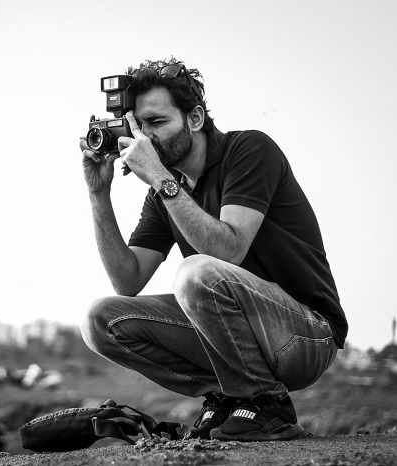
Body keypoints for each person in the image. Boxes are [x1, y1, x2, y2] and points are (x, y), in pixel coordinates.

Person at [79, 58, 347, 441]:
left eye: (157, 123)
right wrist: (98, 194)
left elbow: (230, 249)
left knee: (197, 273)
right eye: (139, 126)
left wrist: (158, 176)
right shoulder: (164, 193)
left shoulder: (249, 149)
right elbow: (127, 279)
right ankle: (230, 396)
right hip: (243, 340)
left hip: (306, 336)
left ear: (195, 118)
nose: (147, 138)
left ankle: (268, 406)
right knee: (101, 318)